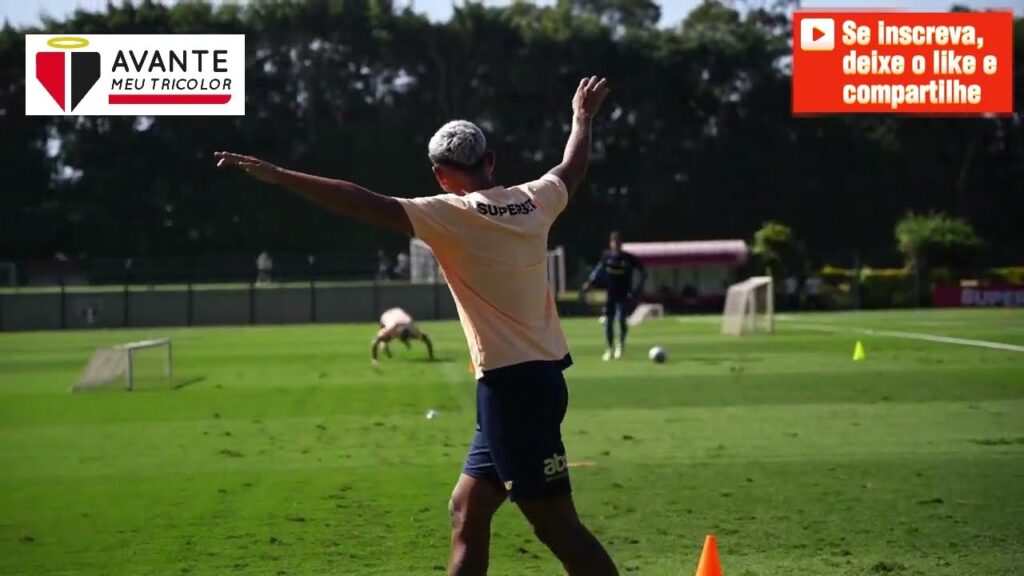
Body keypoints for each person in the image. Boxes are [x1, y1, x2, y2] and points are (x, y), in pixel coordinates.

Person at [214, 76, 618, 576]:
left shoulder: (450, 214)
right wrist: (582, 118)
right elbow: (571, 168)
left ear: (440, 175)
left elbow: (362, 201)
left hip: (513, 392)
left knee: (556, 525)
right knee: (467, 511)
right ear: (490, 160)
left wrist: (280, 176)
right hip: (535, 383)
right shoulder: (535, 201)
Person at [581, 231, 646, 361]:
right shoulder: (607, 256)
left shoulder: (628, 258)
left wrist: (637, 288)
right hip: (610, 294)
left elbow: (644, 273)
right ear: (611, 244)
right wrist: (590, 282)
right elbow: (599, 270)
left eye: (618, 243)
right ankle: (609, 349)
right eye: (614, 242)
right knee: (608, 322)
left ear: (621, 244)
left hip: (624, 293)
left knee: (621, 319)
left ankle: (620, 346)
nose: (616, 245)